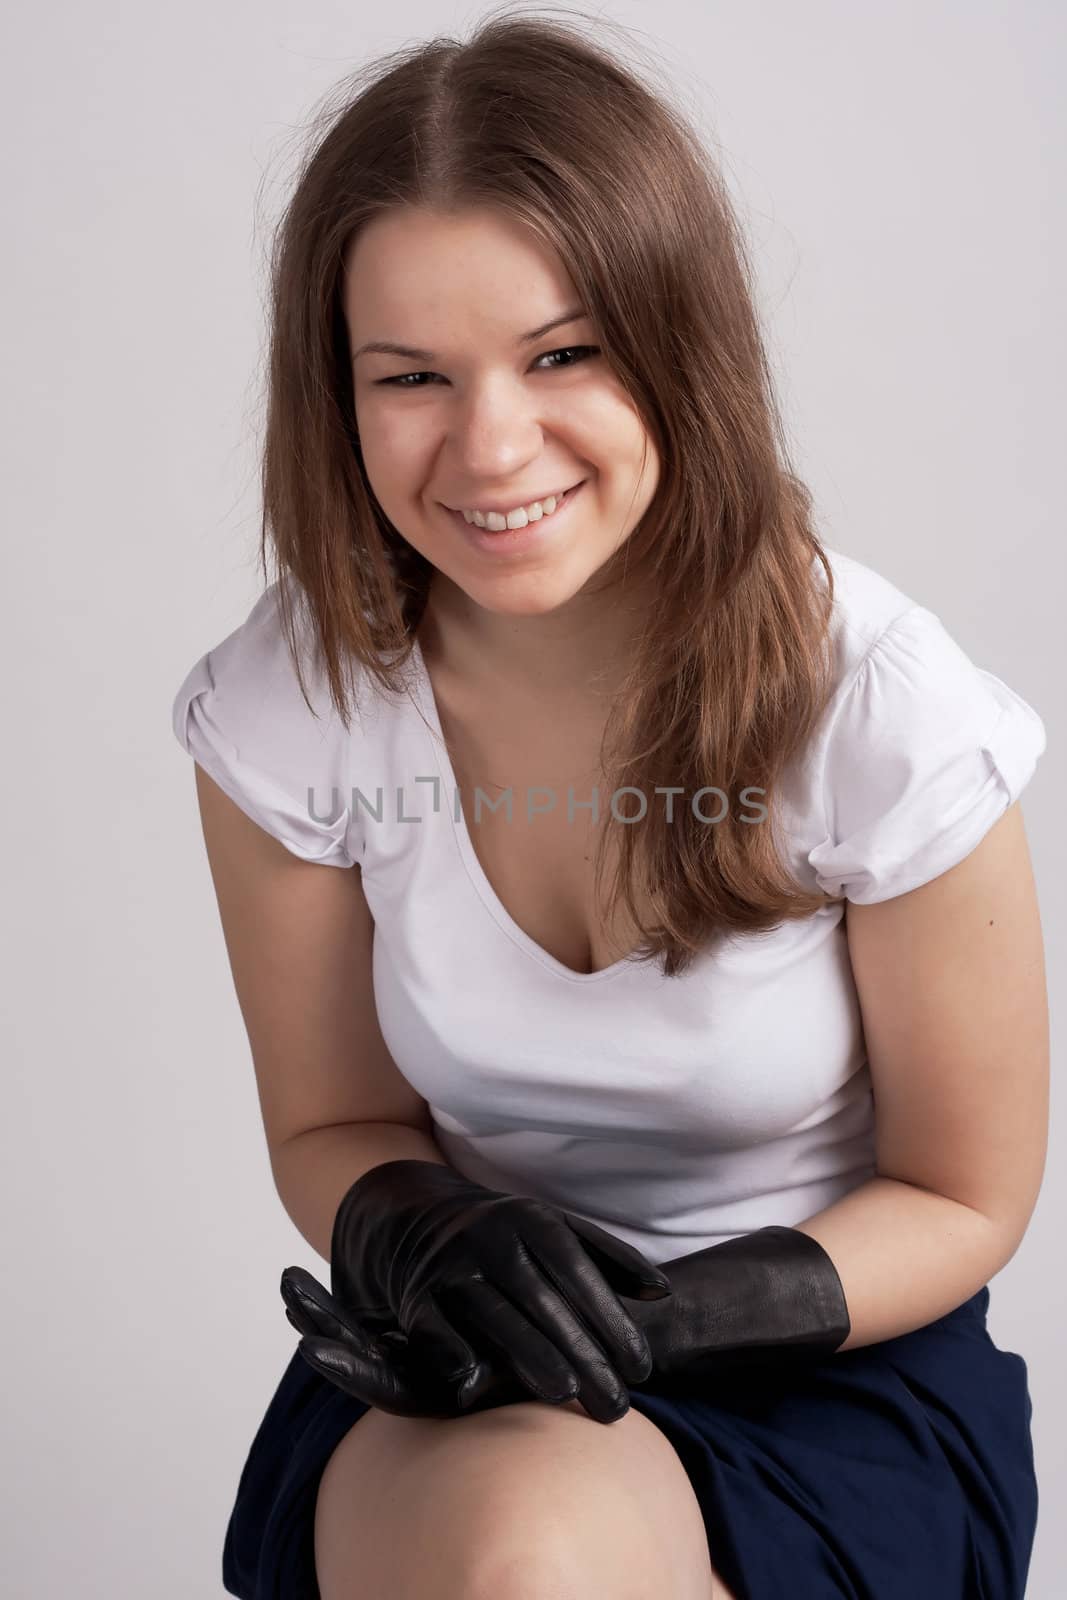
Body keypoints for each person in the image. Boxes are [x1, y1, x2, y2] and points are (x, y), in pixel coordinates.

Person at [171, 10, 1048, 1599]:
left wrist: (663, 1319)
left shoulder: (885, 706)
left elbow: (966, 1195)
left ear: (679, 343)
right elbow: (330, 1124)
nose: (491, 445)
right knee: (518, 1559)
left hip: (836, 1365)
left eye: (562, 352)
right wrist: (424, 1233)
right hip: (464, 1359)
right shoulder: (289, 701)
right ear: (339, 394)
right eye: (412, 375)